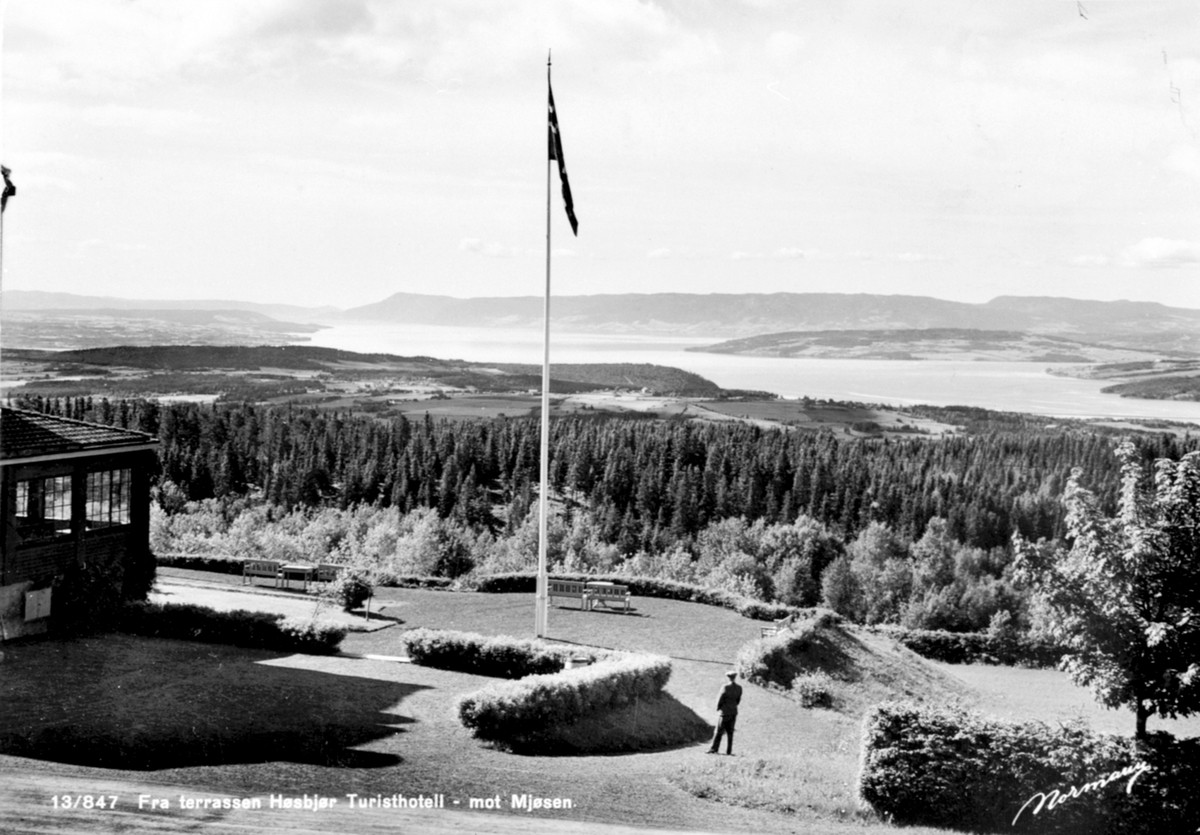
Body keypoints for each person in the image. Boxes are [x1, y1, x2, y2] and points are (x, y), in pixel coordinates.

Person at [707, 670, 742, 755]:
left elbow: (720, 699)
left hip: (724, 712)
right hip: (733, 712)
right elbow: (738, 700)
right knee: (730, 732)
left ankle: (714, 749)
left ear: (728, 677)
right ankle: (729, 750)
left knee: (718, 731)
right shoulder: (739, 688)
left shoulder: (725, 687)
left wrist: (718, 707)